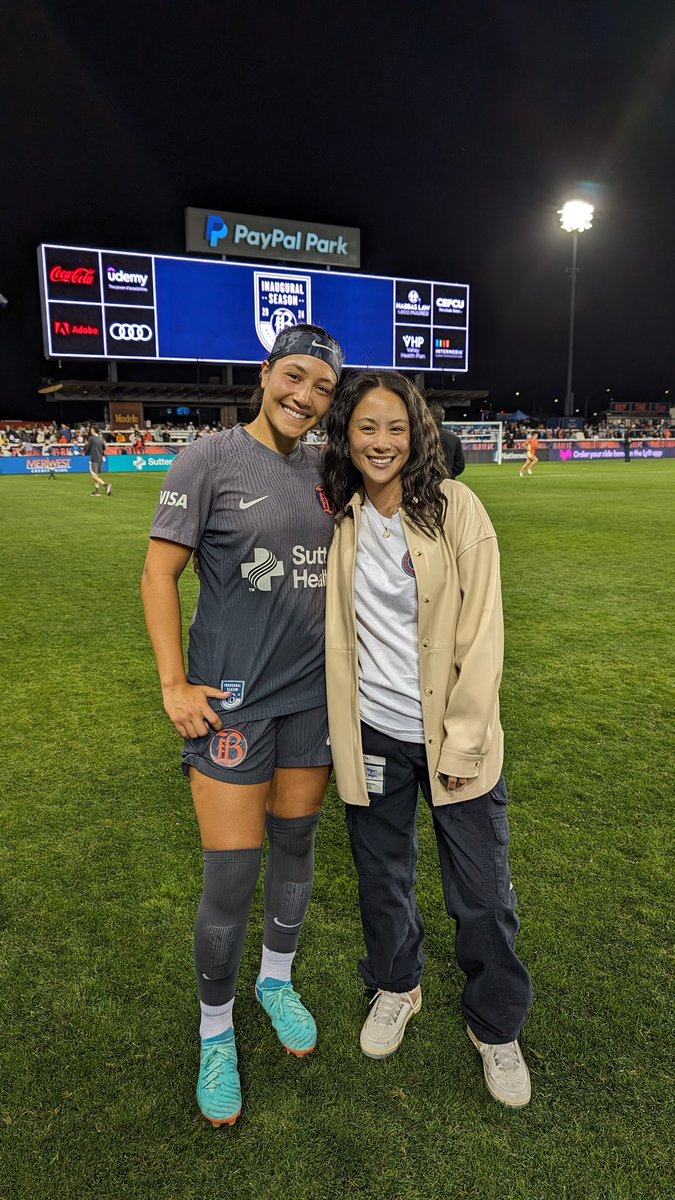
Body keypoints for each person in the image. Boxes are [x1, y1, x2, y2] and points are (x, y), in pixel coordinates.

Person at [141, 323, 344, 1127]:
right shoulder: (211, 459)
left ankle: (275, 980)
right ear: (264, 375)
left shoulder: (328, 468)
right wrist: (172, 683)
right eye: (294, 377)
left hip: (312, 702)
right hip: (230, 704)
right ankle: (215, 1031)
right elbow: (159, 572)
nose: (305, 397)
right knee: (230, 877)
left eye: (323, 387)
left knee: (297, 845)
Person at [322, 371, 533, 1108]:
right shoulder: (340, 515)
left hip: (453, 739)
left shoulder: (457, 509)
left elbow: (482, 640)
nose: (380, 442)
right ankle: (396, 986)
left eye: (395, 428)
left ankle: (495, 1025)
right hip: (372, 735)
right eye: (366, 427)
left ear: (417, 434)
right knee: (382, 880)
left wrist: (464, 744)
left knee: (480, 894)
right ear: (345, 434)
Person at [428, 402, 465, 478]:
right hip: (448, 482)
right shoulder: (454, 438)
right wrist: (449, 474)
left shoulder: (420, 437)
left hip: (426, 484)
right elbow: (460, 466)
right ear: (443, 417)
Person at [85, 427, 111, 496]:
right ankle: (97, 492)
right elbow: (104, 449)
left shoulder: (91, 438)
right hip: (100, 459)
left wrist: (85, 450)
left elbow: (88, 448)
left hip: (94, 458)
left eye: (91, 429)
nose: (90, 430)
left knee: (94, 476)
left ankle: (106, 485)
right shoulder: (101, 439)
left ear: (93, 430)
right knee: (96, 475)